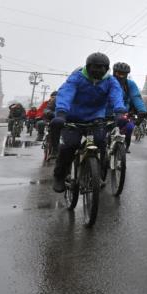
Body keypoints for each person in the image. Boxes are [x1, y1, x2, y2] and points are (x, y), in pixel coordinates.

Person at [51, 52, 127, 192]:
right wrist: (61, 113)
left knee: (100, 143)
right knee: (70, 145)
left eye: (102, 67)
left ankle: (97, 175)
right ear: (88, 66)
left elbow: (116, 96)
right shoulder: (77, 77)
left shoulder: (110, 81)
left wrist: (120, 113)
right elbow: (66, 93)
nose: (98, 70)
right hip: (72, 117)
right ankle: (60, 176)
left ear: (107, 68)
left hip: (95, 117)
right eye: (95, 67)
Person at [109, 62, 147, 151]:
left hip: (124, 112)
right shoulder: (108, 81)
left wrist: (142, 110)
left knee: (129, 128)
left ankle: (126, 145)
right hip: (108, 111)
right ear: (114, 72)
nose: (121, 76)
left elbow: (136, 97)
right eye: (118, 73)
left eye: (123, 74)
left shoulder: (130, 84)